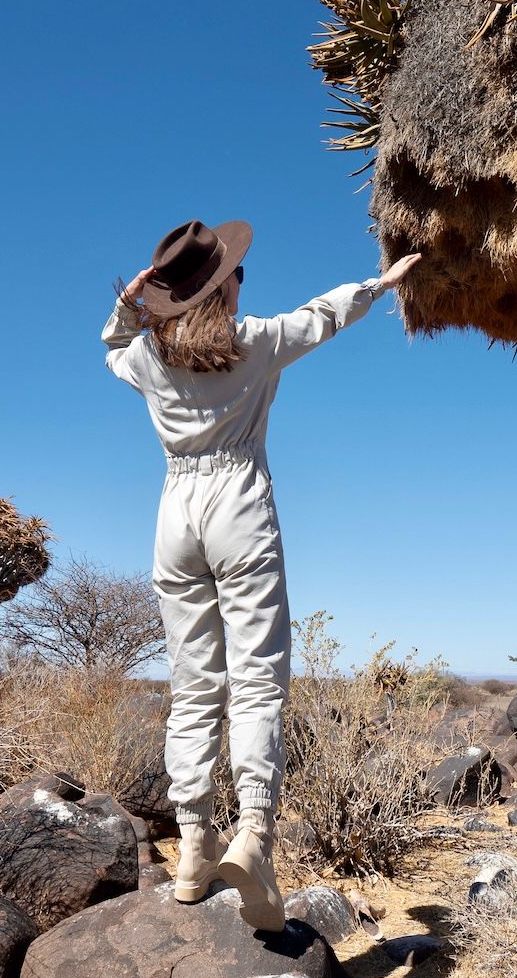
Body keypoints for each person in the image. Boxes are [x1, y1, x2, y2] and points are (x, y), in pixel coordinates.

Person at [102, 217, 420, 930]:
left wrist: (134, 303)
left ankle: (192, 845)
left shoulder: (149, 358)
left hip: (174, 513)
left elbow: (113, 344)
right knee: (256, 681)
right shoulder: (257, 344)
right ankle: (253, 835)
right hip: (238, 503)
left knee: (193, 683)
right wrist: (379, 285)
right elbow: (323, 316)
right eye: (236, 275)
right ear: (226, 287)